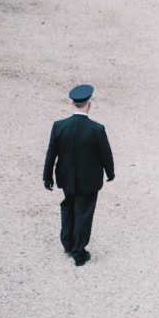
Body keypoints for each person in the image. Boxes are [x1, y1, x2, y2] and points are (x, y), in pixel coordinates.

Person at [43, 84, 115, 266]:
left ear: (73, 103)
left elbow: (51, 153)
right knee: (83, 214)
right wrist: (110, 172)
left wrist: (47, 176)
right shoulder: (96, 129)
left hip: (66, 178)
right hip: (88, 181)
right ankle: (78, 252)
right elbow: (105, 154)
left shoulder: (59, 126)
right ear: (89, 104)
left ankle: (67, 243)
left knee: (68, 207)